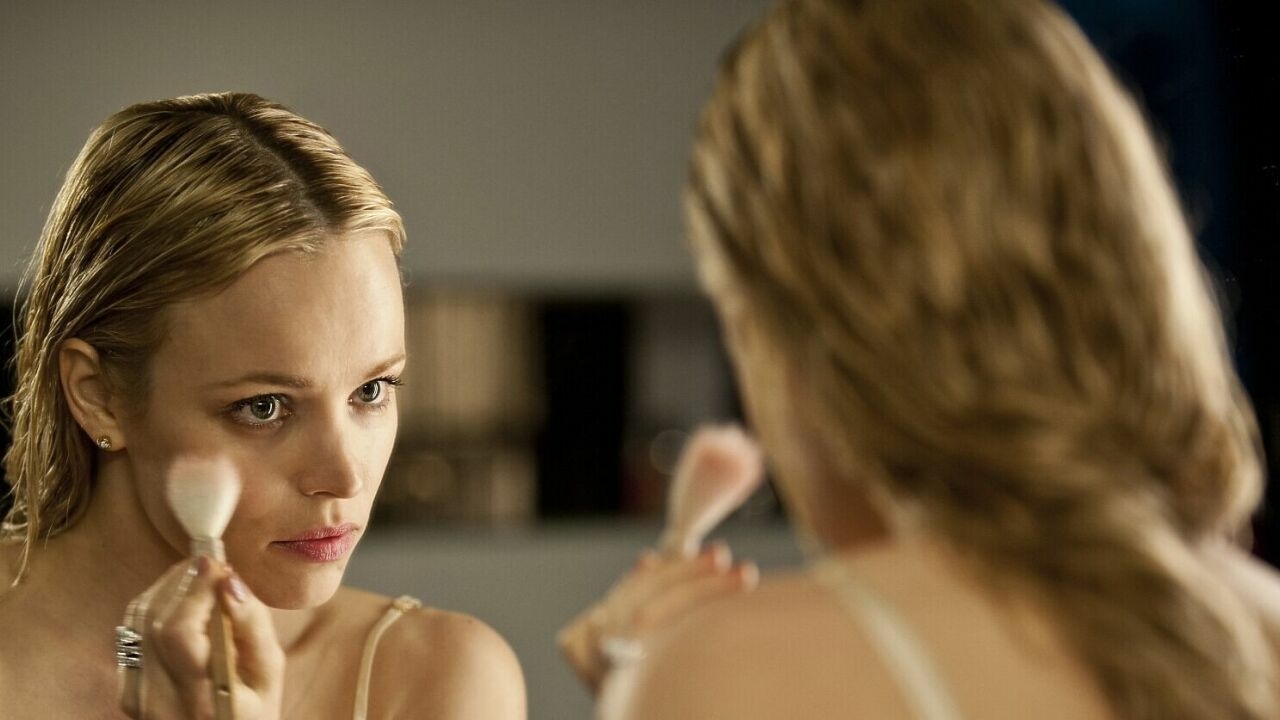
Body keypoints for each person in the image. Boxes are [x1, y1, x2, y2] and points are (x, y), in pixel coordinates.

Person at [575, 0, 1280, 718]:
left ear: (798, 326)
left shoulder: (737, 671)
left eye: (739, 323)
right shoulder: (1264, 618)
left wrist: (649, 682)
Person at [0, 93, 525, 719]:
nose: (344, 477)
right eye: (265, 408)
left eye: (371, 391)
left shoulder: (438, 681)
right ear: (98, 396)